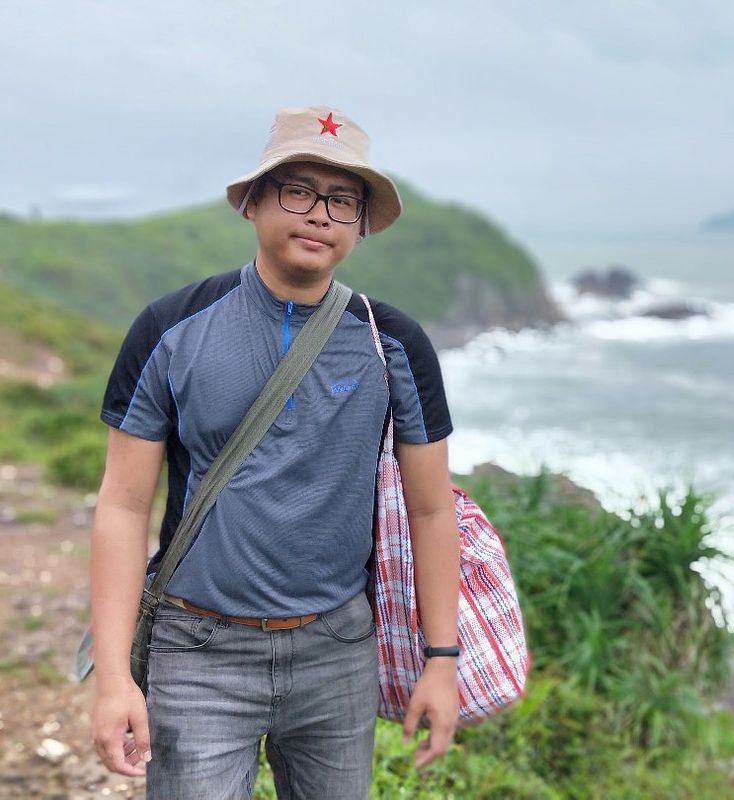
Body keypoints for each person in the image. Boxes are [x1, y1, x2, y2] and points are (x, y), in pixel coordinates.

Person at [89, 105, 462, 799]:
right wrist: (114, 678)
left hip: (337, 649)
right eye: (298, 191)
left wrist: (441, 659)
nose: (320, 214)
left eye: (343, 200)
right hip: (197, 650)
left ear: (359, 224)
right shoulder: (170, 328)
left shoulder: (392, 343)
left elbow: (432, 509)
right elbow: (123, 505)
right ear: (254, 202)